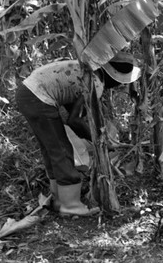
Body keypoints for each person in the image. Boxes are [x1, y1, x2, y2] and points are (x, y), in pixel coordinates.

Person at [15, 52, 141, 216]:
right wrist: (98, 140)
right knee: (61, 150)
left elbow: (71, 109)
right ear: (115, 78)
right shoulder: (95, 82)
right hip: (38, 97)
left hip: (28, 92)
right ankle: (71, 205)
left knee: (51, 149)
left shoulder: (88, 71)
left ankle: (59, 199)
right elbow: (74, 121)